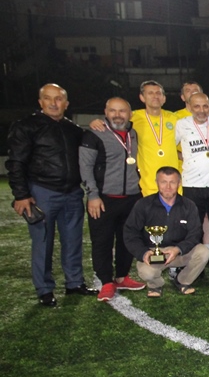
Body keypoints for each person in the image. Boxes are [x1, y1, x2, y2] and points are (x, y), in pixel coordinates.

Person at [7, 84, 96, 306]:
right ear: (40, 102)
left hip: (72, 193)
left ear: (66, 103)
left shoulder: (74, 130)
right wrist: (21, 194)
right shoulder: (27, 126)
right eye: (48, 98)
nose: (53, 103)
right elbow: (16, 162)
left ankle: (74, 283)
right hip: (42, 192)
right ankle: (45, 289)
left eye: (58, 99)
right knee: (43, 243)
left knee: (73, 241)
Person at [79, 97, 146, 301]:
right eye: (113, 111)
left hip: (131, 198)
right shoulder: (94, 134)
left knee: (127, 239)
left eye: (122, 111)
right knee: (102, 241)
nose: (117, 115)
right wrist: (93, 195)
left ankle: (122, 276)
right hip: (103, 199)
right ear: (106, 112)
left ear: (130, 114)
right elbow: (85, 167)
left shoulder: (133, 133)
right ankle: (106, 282)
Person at [123, 167, 209, 298]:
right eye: (163, 182)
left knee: (203, 252)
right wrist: (143, 252)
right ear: (156, 182)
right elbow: (130, 233)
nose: (168, 187)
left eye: (172, 182)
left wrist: (178, 249)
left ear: (179, 183)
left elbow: (195, 233)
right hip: (153, 253)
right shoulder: (143, 204)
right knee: (147, 273)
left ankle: (183, 281)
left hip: (180, 252)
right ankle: (155, 285)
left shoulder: (189, 205)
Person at [175, 92, 209, 236]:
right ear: (190, 107)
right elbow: (169, 147)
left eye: (205, 106)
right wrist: (183, 156)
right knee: (193, 228)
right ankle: (195, 251)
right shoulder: (181, 124)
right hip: (191, 184)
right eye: (197, 106)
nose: (202, 110)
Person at [133, 81, 182, 195]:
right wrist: (98, 122)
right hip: (147, 183)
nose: (155, 96)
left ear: (164, 98)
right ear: (142, 97)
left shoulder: (175, 118)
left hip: (173, 183)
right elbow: (114, 121)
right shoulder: (133, 118)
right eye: (150, 93)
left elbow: (196, 119)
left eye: (158, 93)